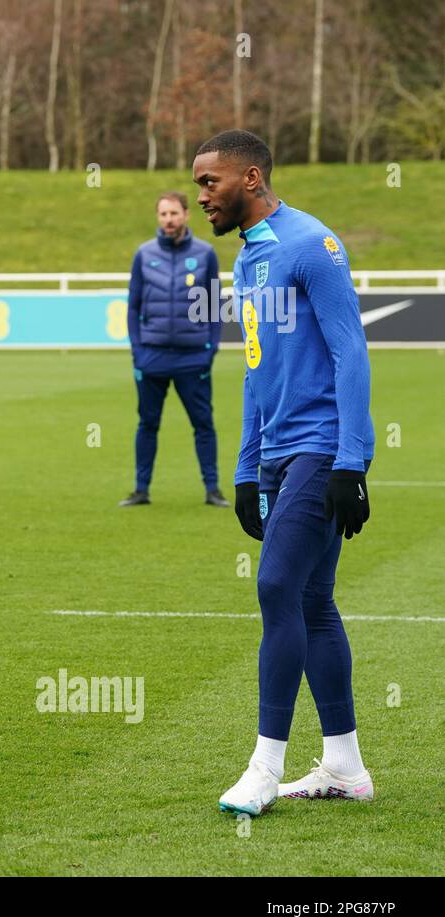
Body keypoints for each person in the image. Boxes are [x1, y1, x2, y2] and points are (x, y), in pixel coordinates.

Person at [192, 131, 375, 817]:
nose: (200, 195)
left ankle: (264, 768)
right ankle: (344, 766)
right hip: (275, 456)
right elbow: (253, 368)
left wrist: (352, 462)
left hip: (321, 448)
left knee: (275, 586)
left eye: (210, 182)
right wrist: (244, 469)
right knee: (310, 601)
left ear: (251, 176)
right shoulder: (247, 261)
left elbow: (351, 351)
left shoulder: (311, 245)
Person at [121, 191, 227, 508]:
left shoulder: (206, 253)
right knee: (148, 423)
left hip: (193, 357)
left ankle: (212, 489)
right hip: (152, 356)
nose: (169, 220)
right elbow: (133, 307)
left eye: (174, 214)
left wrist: (210, 350)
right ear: (159, 218)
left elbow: (214, 306)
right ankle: (141, 489)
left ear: (186, 215)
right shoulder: (144, 254)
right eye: (163, 214)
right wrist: (137, 351)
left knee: (203, 423)